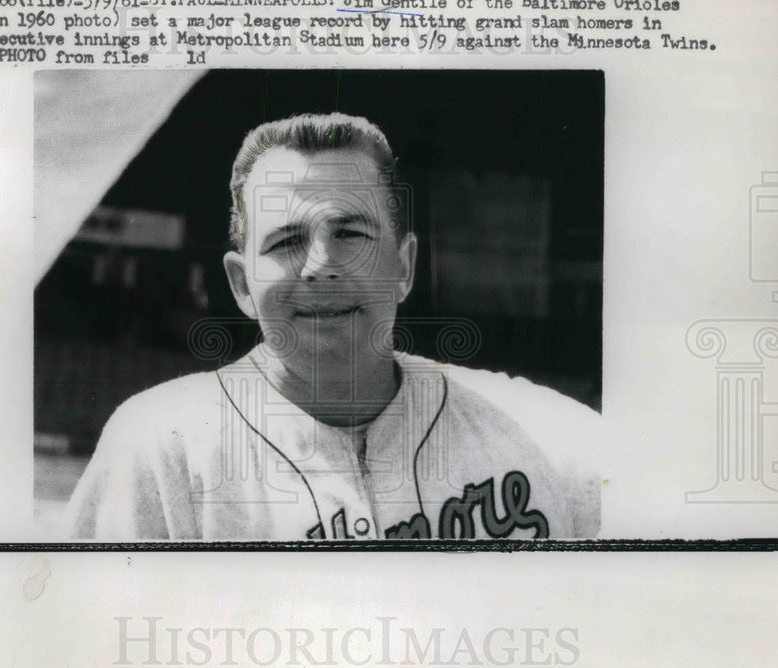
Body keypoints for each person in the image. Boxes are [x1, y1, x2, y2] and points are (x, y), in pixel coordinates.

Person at [65, 112, 602, 540]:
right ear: (242, 285)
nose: (321, 264)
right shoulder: (162, 447)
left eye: (351, 235)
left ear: (404, 266)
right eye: (286, 241)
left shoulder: (550, 438)